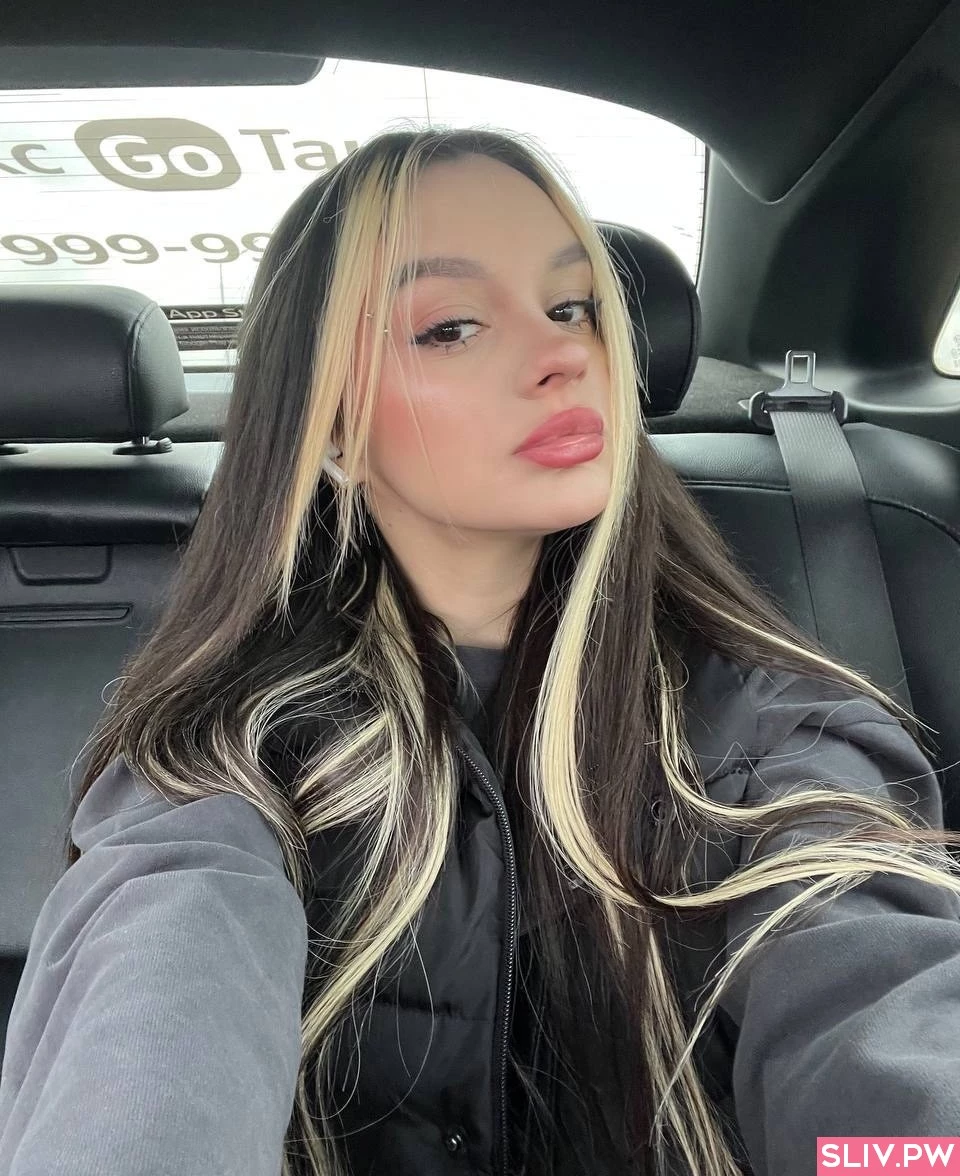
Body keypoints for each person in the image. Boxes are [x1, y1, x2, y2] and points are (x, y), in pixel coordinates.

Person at [1, 127, 960, 1176]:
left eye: (572, 306)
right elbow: (159, 997)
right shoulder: (221, 756)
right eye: (451, 326)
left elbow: (876, 1004)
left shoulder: (772, 727)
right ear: (332, 425)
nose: (565, 355)